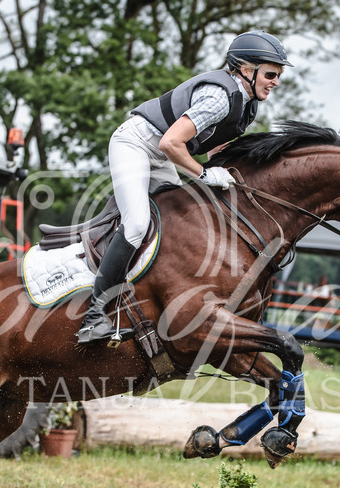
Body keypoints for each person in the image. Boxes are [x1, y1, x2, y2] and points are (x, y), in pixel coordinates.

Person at [76, 30, 292, 344]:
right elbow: (170, 142)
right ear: (247, 70)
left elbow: (216, 148)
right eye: (271, 74)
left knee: (180, 225)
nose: (275, 81)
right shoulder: (219, 97)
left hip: (163, 155)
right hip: (136, 144)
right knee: (137, 225)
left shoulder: (246, 104)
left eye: (278, 76)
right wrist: (204, 174)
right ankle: (93, 316)